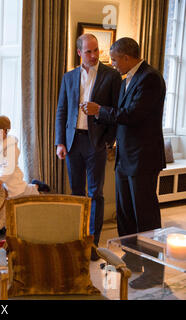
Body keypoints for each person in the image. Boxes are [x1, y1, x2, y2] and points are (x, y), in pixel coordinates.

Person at [82, 37, 166, 289]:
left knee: (145, 219)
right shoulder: (128, 78)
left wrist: (99, 111)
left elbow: (132, 116)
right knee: (126, 216)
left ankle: (153, 273)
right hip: (126, 157)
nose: (113, 64)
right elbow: (121, 116)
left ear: (127, 58)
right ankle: (132, 262)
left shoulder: (150, 78)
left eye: (115, 59)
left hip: (143, 159)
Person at [55, 34, 122, 260]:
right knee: (76, 193)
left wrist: (108, 140)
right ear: (79, 53)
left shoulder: (112, 76)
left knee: (95, 194)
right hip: (73, 142)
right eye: (89, 52)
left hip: (97, 142)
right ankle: (77, 237)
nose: (94, 56)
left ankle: (93, 243)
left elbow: (116, 112)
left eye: (96, 51)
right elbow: (61, 111)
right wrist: (60, 141)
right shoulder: (69, 77)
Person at [0, 115, 42, 198]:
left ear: (2, 131)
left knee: (21, 192)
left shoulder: (11, 145)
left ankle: (36, 186)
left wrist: (1, 178)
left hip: (11, 178)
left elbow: (10, 165)